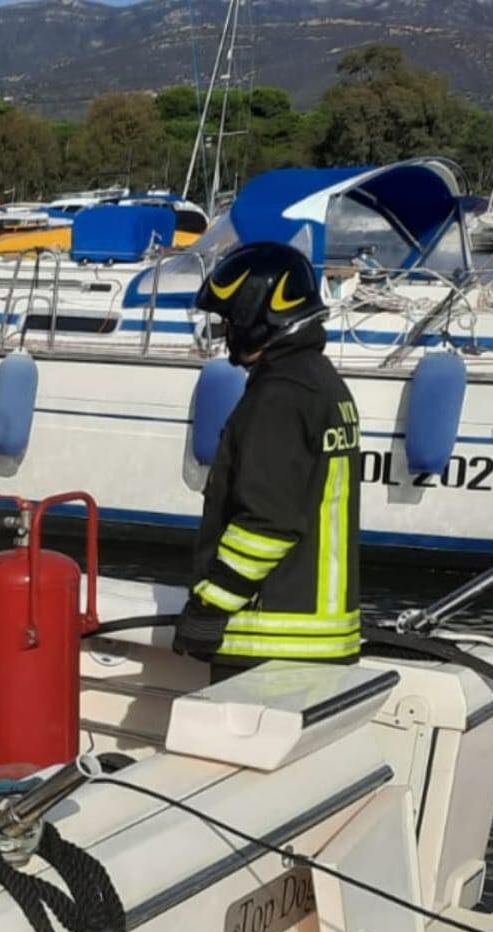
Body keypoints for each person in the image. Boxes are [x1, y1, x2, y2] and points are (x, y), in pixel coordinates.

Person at [174, 241, 362, 679]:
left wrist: (209, 606)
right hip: (316, 638)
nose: (225, 334)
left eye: (229, 319)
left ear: (256, 314)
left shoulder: (280, 396)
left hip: (271, 643)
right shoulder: (322, 384)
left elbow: (268, 523)